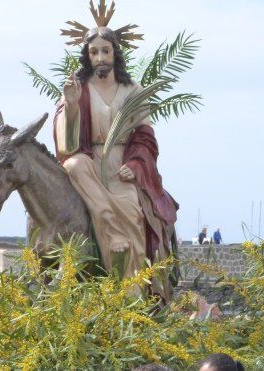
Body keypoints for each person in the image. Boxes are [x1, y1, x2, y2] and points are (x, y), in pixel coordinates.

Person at [54, 17, 178, 301]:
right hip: (89, 164)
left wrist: (135, 165)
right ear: (87, 56)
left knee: (134, 211)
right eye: (94, 52)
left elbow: (146, 136)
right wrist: (71, 104)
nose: (100, 57)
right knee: (74, 165)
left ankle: (132, 293)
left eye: (105, 51)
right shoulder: (78, 89)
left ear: (115, 53)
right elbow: (67, 146)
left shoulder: (133, 91)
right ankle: (107, 227)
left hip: (121, 165)